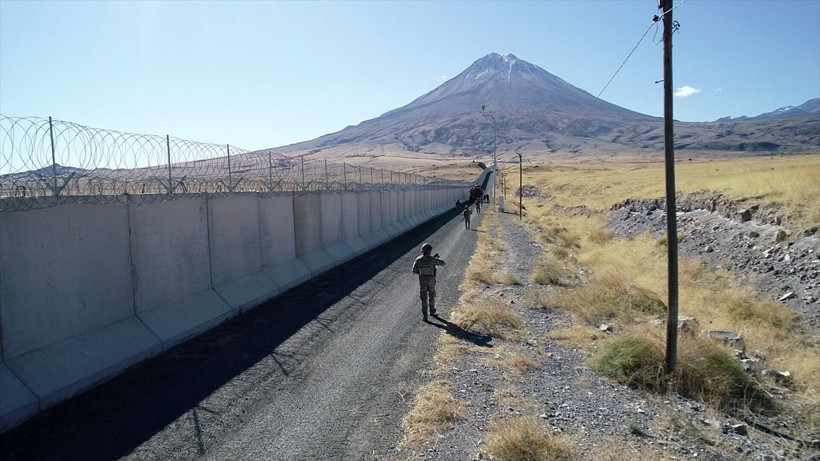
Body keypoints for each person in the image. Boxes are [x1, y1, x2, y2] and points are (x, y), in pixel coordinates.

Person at [412, 243, 446, 321]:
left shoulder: (418, 259)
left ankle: (425, 316)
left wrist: (422, 274)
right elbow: (443, 263)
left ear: (422, 251)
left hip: (422, 281)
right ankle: (432, 311)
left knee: (423, 298)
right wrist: (435, 260)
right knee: (432, 295)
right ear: (430, 251)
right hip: (431, 280)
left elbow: (414, 270)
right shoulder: (432, 259)